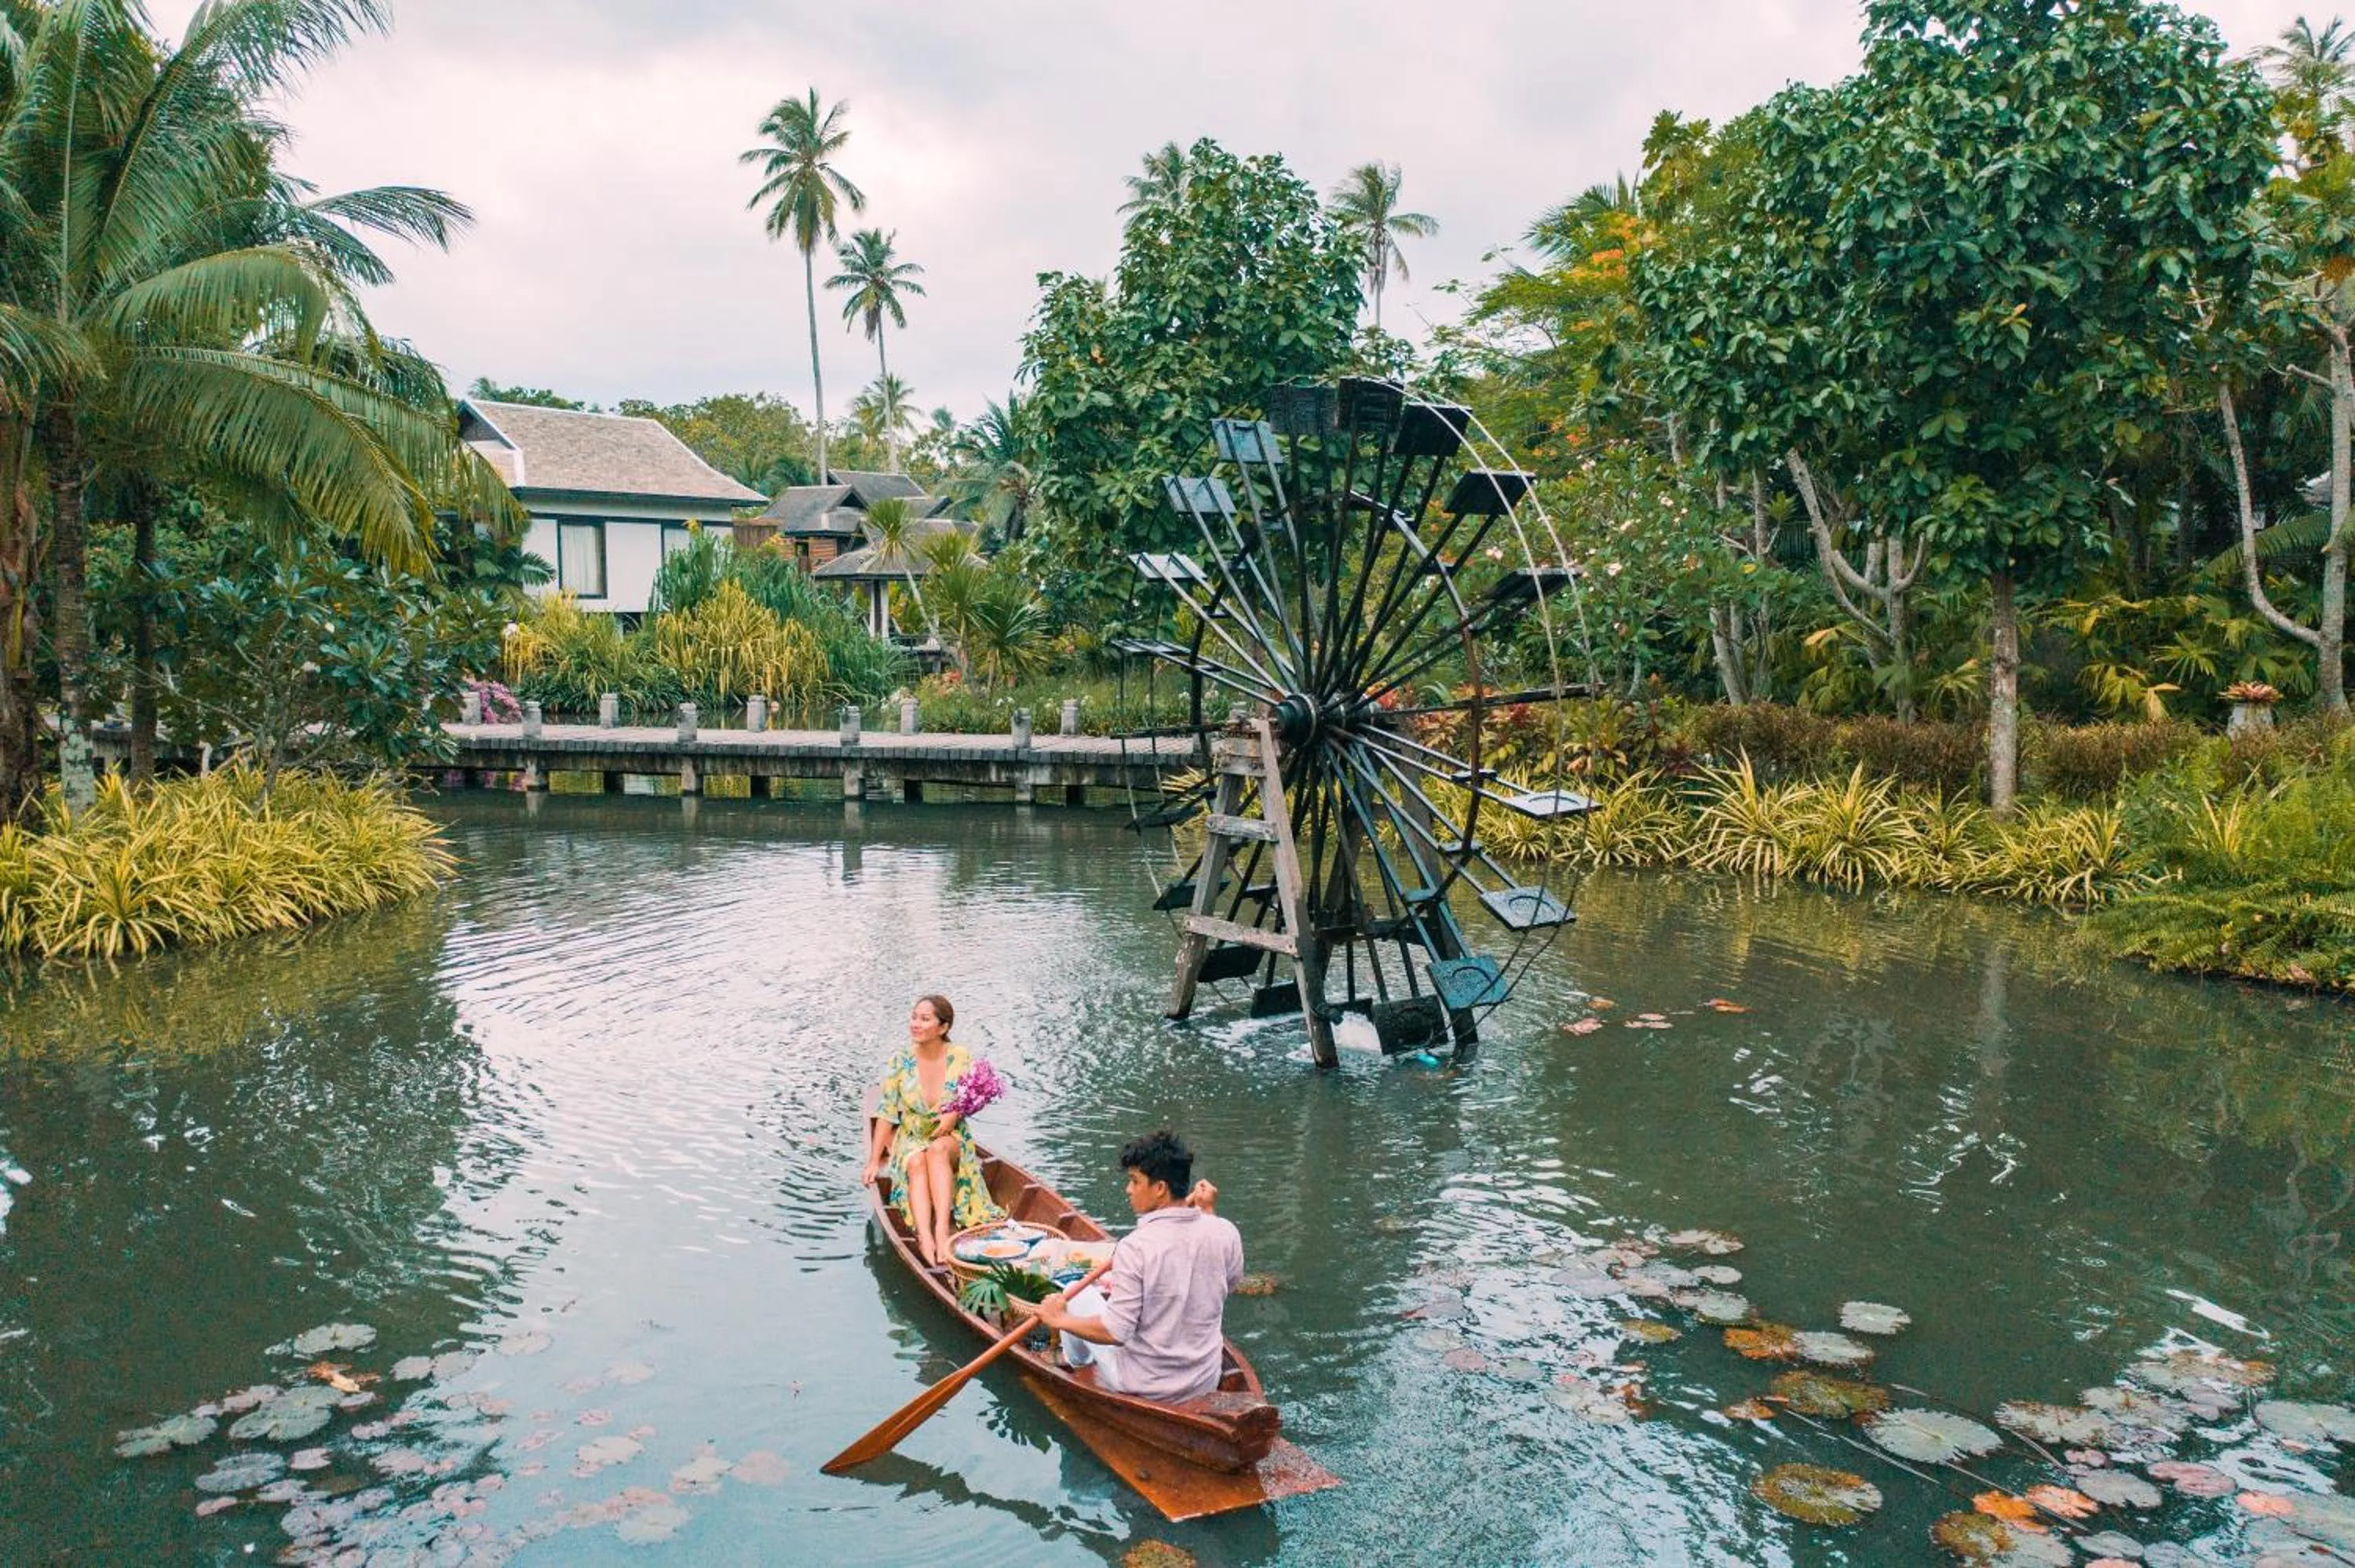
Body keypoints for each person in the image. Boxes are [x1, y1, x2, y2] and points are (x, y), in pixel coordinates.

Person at [1024, 1129, 1242, 1404]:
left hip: (1145, 1385)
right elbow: (1228, 1283)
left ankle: (1079, 1369)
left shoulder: (1134, 1247)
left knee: (1074, 1292)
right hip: (1203, 1379)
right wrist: (1208, 1212)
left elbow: (1116, 1332)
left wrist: (1059, 1319)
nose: (1128, 1189)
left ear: (1160, 1188)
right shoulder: (1224, 1231)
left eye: (1135, 1181)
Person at [861, 994, 1003, 1267]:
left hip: (948, 1137)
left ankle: (941, 1230)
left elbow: (973, 1095)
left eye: (925, 1019)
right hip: (912, 1137)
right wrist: (873, 1161)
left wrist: (955, 1113)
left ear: (943, 1027)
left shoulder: (959, 1057)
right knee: (917, 1162)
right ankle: (925, 1236)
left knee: (936, 1151)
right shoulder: (900, 1062)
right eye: (914, 1017)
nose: (915, 1024)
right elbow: (887, 1113)